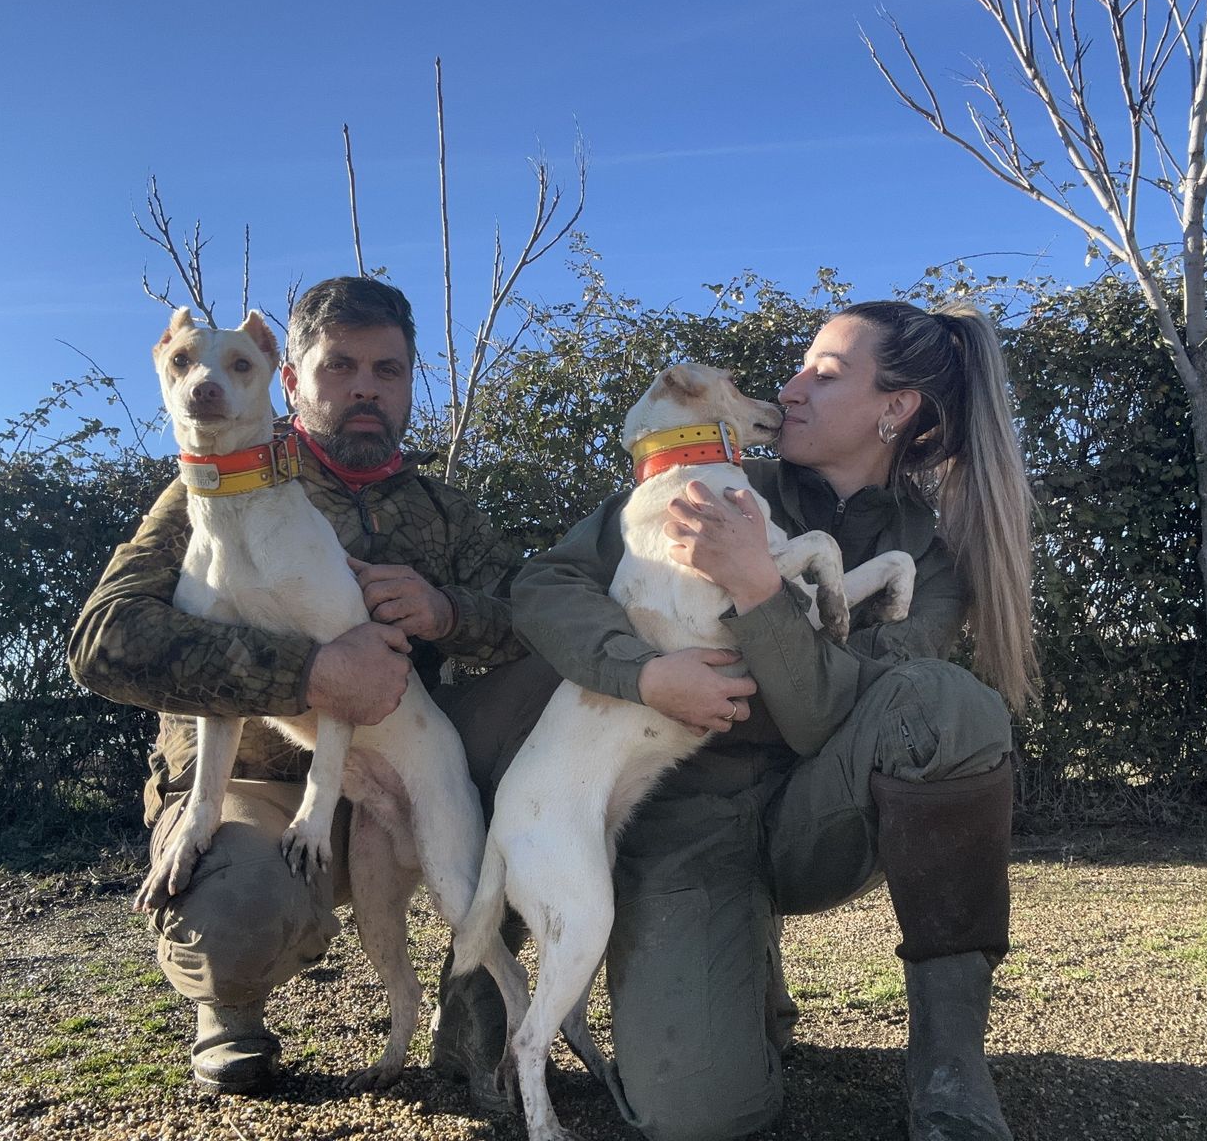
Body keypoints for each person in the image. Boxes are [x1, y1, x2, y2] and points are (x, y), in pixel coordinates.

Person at [508, 300, 1036, 1141]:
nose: (790, 390)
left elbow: (849, 711)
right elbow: (544, 587)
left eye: (823, 375)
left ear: (895, 410)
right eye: (797, 369)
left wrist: (757, 589)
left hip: (818, 815)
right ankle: (737, 963)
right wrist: (643, 671)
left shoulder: (929, 560)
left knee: (951, 705)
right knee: (700, 1116)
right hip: (682, 820)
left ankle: (950, 1070)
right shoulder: (706, 484)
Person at [67, 276, 557, 1097]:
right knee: (235, 910)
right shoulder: (210, 488)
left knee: (539, 700)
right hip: (256, 786)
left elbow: (530, 621)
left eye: (388, 370)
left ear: (409, 383)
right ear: (287, 377)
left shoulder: (442, 511)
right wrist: (306, 672)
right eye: (339, 366)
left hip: (391, 763)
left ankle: (471, 992)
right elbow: (102, 643)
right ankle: (232, 1006)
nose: (365, 386)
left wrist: (444, 610)